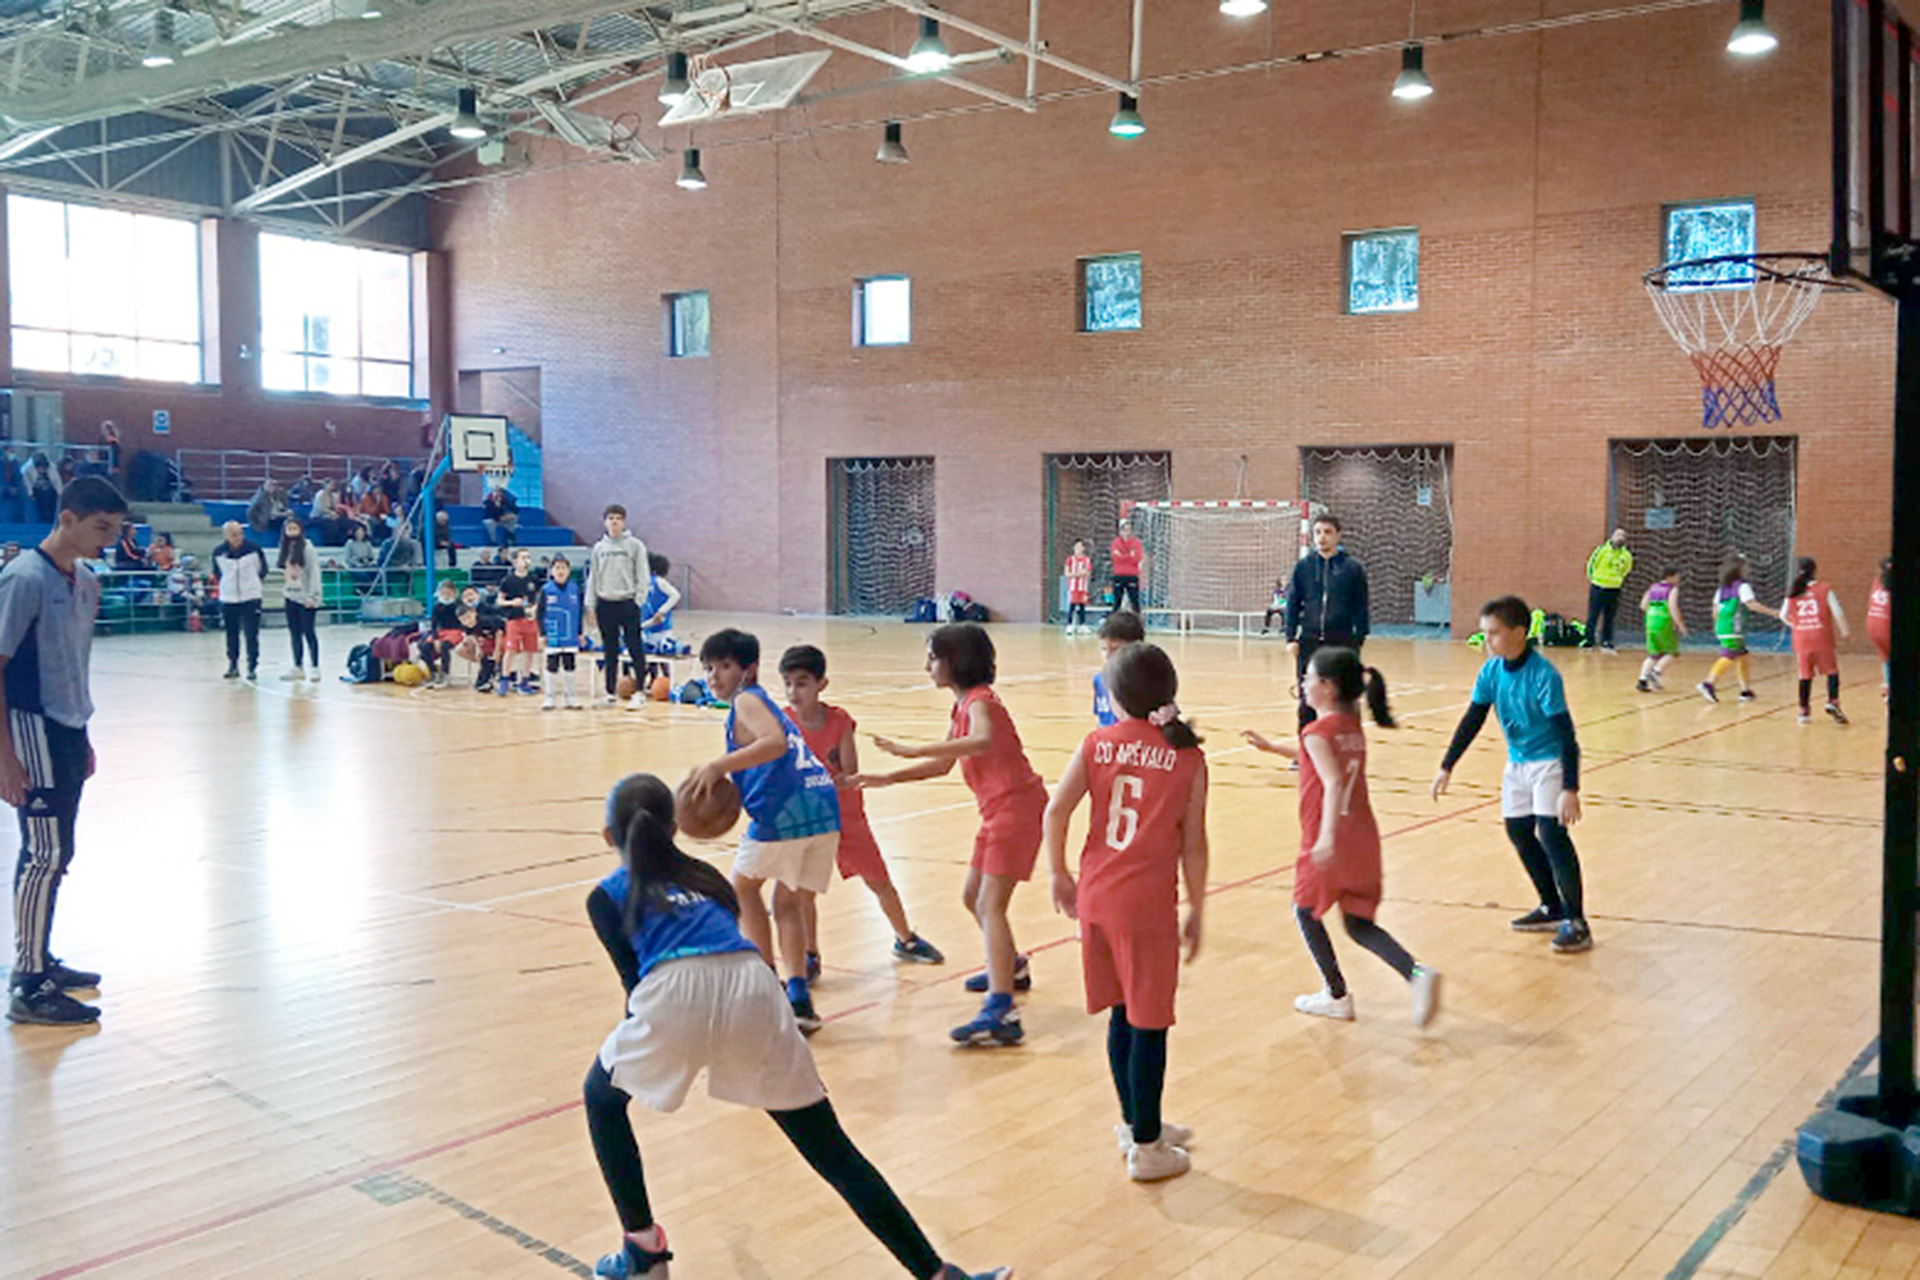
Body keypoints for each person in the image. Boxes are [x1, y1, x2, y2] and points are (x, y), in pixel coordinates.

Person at [579, 773, 1010, 1280]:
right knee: (832, 1152)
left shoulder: (607, 896)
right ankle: (936, 1274)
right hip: (756, 985)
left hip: (674, 989)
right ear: (675, 828)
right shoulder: (707, 879)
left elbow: (638, 990)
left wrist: (677, 1051)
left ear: (609, 837)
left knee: (602, 1098)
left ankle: (644, 1252)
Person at [1044, 642, 1209, 1182]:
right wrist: (1198, 906)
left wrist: (1058, 873)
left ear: (1115, 698)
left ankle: (1137, 1122)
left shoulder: (1097, 743)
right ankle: (1147, 1147)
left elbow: (1056, 811)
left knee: (1121, 1013)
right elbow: (1194, 844)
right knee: (1151, 1025)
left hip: (1096, 896)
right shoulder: (1187, 757)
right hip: (1145, 906)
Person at [858, 624, 1048, 1047]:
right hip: (998, 810)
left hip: (1016, 808)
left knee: (989, 903)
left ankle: (1003, 1010)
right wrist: (886, 777)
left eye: (933, 657)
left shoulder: (982, 703)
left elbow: (980, 741)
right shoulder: (960, 705)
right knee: (972, 898)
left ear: (955, 660)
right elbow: (944, 765)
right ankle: (1011, 968)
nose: (927, 666)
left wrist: (914, 748)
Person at [1245, 648, 1440, 1027]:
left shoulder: (1316, 731)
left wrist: (1326, 839)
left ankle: (1336, 995)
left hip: (1330, 838)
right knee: (1358, 925)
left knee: (1304, 911)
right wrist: (1272, 748)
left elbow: (1332, 781)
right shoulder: (1351, 728)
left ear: (1328, 687)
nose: (1302, 684)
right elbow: (1319, 761)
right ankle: (1418, 975)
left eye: (1309, 678)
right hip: (1364, 838)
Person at [2, 476, 126, 1025]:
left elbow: (70, 664)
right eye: (102, 528)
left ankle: (41, 957)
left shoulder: (86, 581)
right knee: (42, 854)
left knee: (59, 854)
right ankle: (28, 982)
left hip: (68, 730)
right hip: (32, 728)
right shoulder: (23, 578)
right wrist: (5, 756)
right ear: (68, 519)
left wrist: (83, 734)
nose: (109, 539)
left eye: (117, 530)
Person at [687, 628, 841, 1035]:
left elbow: (775, 744)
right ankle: (799, 997)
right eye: (708, 668)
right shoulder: (763, 702)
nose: (714, 676)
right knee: (787, 905)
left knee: (742, 888)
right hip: (822, 808)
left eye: (723, 666)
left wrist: (721, 766)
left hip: (786, 814)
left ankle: (766, 985)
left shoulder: (746, 700)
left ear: (749, 670)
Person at [1432, 595, 1591, 954]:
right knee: (1519, 831)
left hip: (1549, 762)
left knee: (1552, 836)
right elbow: (1473, 718)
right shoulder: (1491, 671)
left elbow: (1567, 736)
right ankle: (1550, 906)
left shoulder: (1544, 675)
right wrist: (1447, 765)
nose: (1487, 640)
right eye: (1485, 632)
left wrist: (1570, 787)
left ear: (1520, 632)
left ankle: (1576, 920)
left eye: (1494, 633)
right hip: (1517, 763)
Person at [779, 644, 944, 971]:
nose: (793, 691)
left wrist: (828, 777)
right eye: (787, 683)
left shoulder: (839, 721)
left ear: (821, 684)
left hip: (846, 817)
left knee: (879, 881)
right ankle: (810, 954)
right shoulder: (782, 723)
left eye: (801, 683)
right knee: (804, 891)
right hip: (806, 820)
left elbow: (849, 772)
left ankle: (905, 938)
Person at [1285, 513, 1370, 730]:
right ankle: (1305, 751)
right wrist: (1291, 637)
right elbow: (1293, 604)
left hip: (1341, 642)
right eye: (1318, 532)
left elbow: (1361, 606)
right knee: (1308, 699)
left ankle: (1344, 745)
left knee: (1344, 696)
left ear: (1338, 536)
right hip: (1310, 642)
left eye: (1327, 532)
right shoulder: (1303, 567)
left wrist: (1358, 639)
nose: (1322, 537)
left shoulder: (1352, 568)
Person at [586, 504, 652, 707]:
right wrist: (590, 605)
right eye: (610, 518)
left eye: (618, 518)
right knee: (610, 651)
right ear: (605, 521)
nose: (614, 521)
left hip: (627, 603)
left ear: (623, 522)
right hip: (605, 604)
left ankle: (640, 692)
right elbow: (593, 577)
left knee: (635, 648)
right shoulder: (599, 548)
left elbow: (643, 575)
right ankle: (609, 693)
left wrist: (637, 601)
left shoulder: (635, 545)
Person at [1698, 555, 1782, 704]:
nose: (1748, 568)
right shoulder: (1742, 586)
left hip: (1723, 625)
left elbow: (1715, 610)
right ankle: (1708, 683)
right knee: (1730, 655)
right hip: (1734, 626)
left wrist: (1718, 626)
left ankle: (1745, 691)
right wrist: (1774, 612)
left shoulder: (1722, 589)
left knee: (1743, 657)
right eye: (1745, 566)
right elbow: (1751, 604)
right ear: (1739, 568)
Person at [1783, 557, 1851, 726]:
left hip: (1801, 638)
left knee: (1804, 675)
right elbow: (1838, 613)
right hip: (1821, 636)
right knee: (1832, 671)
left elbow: (1783, 615)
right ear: (1814, 570)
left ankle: (1803, 711)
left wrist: (1797, 625)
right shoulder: (1825, 589)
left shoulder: (1792, 592)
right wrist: (1845, 632)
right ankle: (1832, 701)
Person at [212, 520, 267, 681]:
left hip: (251, 597)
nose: (238, 538)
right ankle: (233, 664)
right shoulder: (218, 553)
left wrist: (252, 585)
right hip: (229, 598)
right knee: (231, 633)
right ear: (226, 536)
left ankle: (252, 666)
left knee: (251, 634)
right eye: (234, 535)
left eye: (240, 534)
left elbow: (262, 569)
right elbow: (218, 573)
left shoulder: (254, 549)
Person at [538, 555, 586, 710]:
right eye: (557, 568)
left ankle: (570, 697)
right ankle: (550, 697)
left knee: (570, 664)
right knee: (552, 664)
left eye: (563, 568)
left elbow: (579, 613)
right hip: (553, 634)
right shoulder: (546, 590)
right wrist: (542, 634)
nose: (560, 571)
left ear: (569, 571)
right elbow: (540, 613)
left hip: (570, 633)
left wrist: (580, 633)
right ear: (551, 571)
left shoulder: (575, 589)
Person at [278, 516, 322, 682]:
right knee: (294, 633)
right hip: (290, 595)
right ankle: (298, 666)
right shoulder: (285, 548)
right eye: (289, 529)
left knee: (309, 632)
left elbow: (314, 573)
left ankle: (315, 667)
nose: (292, 532)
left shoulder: (308, 548)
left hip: (306, 598)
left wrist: (313, 596)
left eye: (294, 528)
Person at [496, 547, 542, 696]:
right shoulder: (508, 580)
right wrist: (511, 603)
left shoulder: (534, 579)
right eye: (523, 557)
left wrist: (535, 608)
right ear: (515, 561)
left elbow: (540, 597)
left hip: (530, 620)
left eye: (528, 557)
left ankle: (525, 680)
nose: (526, 560)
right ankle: (504, 679)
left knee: (530, 651)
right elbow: (499, 601)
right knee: (511, 650)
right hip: (514, 620)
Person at [1635, 568, 1687, 693]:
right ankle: (1656, 672)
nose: (1678, 579)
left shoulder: (1652, 587)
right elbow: (1673, 607)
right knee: (1672, 652)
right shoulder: (1672, 589)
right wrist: (1680, 625)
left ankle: (1642, 680)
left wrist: (1653, 613)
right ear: (1670, 577)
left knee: (1654, 654)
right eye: (1676, 576)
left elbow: (1643, 605)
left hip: (1650, 621)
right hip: (1664, 621)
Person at [1582, 528, 1634, 652]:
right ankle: (1589, 640)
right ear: (1612, 537)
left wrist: (1617, 580)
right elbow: (1591, 565)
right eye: (1618, 535)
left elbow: (1626, 569)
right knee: (1593, 614)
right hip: (1599, 586)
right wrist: (1595, 579)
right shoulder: (1602, 550)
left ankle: (1606, 640)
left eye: (1623, 536)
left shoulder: (1626, 555)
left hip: (1614, 588)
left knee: (1609, 616)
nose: (1620, 538)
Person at [1093, 611, 1146, 727]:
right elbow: (1101, 719)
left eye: (1115, 649)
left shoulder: (1146, 683)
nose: (1107, 656)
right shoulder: (1099, 679)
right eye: (1104, 649)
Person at [639, 551, 682, 688]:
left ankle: (668, 681)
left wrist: (662, 611)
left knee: (663, 658)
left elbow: (675, 595)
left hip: (662, 627)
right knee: (650, 657)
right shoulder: (640, 583)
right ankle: (652, 679)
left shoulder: (658, 581)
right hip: (647, 626)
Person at [424, 578, 463, 688]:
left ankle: (446, 674)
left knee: (445, 646)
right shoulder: (437, 606)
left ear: (454, 592)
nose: (446, 596)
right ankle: (434, 672)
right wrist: (435, 638)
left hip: (456, 631)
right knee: (425, 646)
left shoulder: (458, 605)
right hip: (442, 632)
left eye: (449, 593)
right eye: (444, 593)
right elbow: (434, 624)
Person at [1109, 519, 1147, 614]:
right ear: (1120, 531)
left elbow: (1137, 558)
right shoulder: (1116, 542)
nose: (1127, 533)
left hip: (1132, 575)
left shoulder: (1136, 543)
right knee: (1117, 603)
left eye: (1129, 530)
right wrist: (1129, 555)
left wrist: (1122, 555)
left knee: (1135, 602)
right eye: (1124, 530)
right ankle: (1114, 624)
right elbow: (1115, 558)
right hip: (1119, 574)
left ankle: (1138, 624)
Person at [1870, 557, 1893, 701]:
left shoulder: (1877, 582)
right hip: (1887, 625)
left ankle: (1888, 686)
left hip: (1873, 625)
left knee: (1886, 657)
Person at [1064, 539, 1093, 634]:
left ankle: (1082, 625)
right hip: (1072, 587)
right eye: (1076, 547)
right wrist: (1078, 574)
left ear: (1083, 548)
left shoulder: (1086, 560)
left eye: (1080, 547)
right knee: (1072, 605)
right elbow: (1067, 573)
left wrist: (1079, 574)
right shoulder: (1070, 560)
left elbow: (1087, 573)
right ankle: (1070, 625)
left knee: (1082, 606)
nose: (1078, 549)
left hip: (1082, 587)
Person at [481, 480, 520, 548]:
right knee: (489, 523)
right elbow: (490, 513)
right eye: (497, 491)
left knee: (514, 518)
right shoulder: (488, 501)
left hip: (501, 519)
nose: (498, 493)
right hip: (491, 519)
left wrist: (510, 513)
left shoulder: (505, 500)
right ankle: (494, 541)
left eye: (500, 491)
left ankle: (509, 534)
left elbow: (515, 510)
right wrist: (499, 518)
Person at [27, 454, 57, 524]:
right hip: (37, 496)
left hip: (50, 497)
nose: (42, 469)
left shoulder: (52, 469)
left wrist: (60, 493)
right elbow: (28, 483)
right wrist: (31, 494)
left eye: (43, 466)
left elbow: (56, 482)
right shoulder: (29, 470)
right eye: (40, 466)